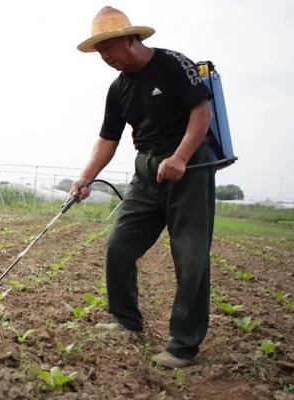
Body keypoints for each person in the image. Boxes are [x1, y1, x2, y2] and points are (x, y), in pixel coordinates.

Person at [71, 6, 215, 368]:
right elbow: (108, 138)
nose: (105, 58)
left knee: (190, 256)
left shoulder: (172, 64)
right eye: (100, 53)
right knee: (119, 244)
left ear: (131, 39)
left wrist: (180, 157)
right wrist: (85, 176)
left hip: (190, 170)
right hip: (146, 173)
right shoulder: (118, 88)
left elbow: (202, 111)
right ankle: (126, 320)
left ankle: (184, 344)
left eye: (109, 49)